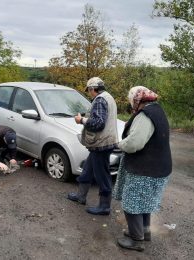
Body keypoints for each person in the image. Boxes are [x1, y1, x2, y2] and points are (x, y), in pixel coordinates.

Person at [113, 86, 172, 252]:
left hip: (145, 169)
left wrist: (119, 145)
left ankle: (136, 239)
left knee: (131, 203)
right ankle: (143, 232)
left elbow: (135, 143)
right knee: (143, 202)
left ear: (137, 100)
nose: (132, 104)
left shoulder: (145, 115)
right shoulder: (157, 110)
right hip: (158, 167)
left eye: (132, 101)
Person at [67, 77, 119, 215]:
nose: (89, 93)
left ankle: (104, 206)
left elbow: (98, 123)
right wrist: (88, 115)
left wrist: (81, 120)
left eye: (89, 90)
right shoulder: (108, 97)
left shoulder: (100, 100)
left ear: (92, 89)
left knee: (102, 175)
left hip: (101, 144)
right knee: (88, 169)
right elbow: (102, 117)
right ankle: (80, 196)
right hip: (104, 142)